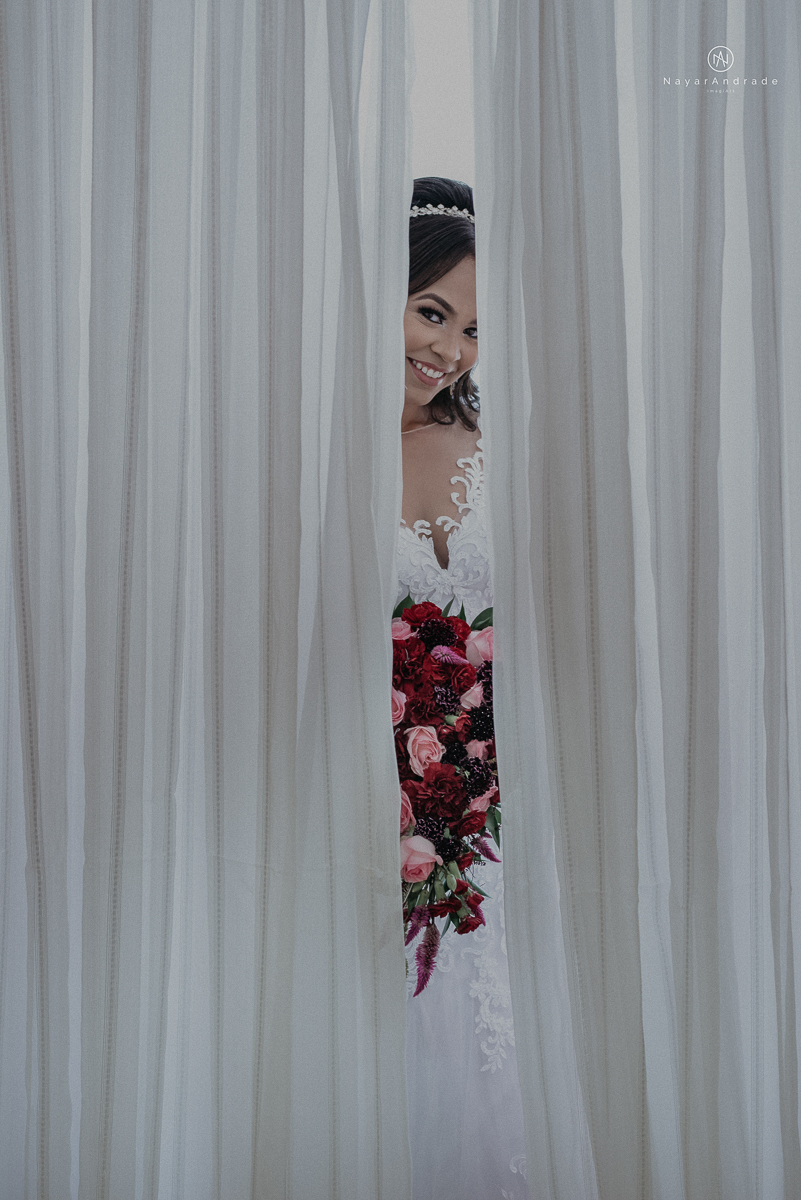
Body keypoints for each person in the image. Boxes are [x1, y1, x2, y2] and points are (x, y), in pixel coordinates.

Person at [399, 178, 532, 1200]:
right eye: (432, 310)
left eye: (474, 329)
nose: (448, 349)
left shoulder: (504, 456)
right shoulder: (315, 462)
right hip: (360, 812)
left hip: (499, 823)